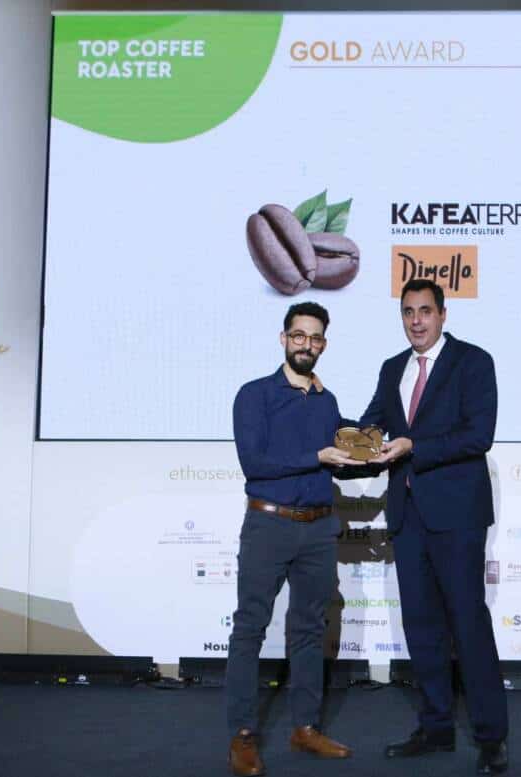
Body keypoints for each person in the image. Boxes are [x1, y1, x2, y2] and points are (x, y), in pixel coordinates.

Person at [361, 279, 509, 774]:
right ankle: (436, 727)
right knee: (421, 628)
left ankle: (491, 737)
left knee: (468, 625)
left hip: (457, 517)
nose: (416, 320)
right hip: (407, 517)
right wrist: (344, 441)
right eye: (408, 312)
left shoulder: (474, 362)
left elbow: (478, 435)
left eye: (425, 310)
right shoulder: (391, 368)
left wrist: (413, 446)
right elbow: (373, 426)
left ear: (443, 314)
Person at [226, 301, 362, 777]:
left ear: (324, 344)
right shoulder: (254, 395)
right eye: (299, 335)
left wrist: (377, 455)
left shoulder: (327, 401)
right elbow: (255, 463)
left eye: (315, 337)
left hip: (319, 528)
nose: (307, 344)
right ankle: (243, 735)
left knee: (308, 630)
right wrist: (317, 456)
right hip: (269, 524)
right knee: (250, 628)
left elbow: (338, 460)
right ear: (284, 338)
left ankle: (305, 727)